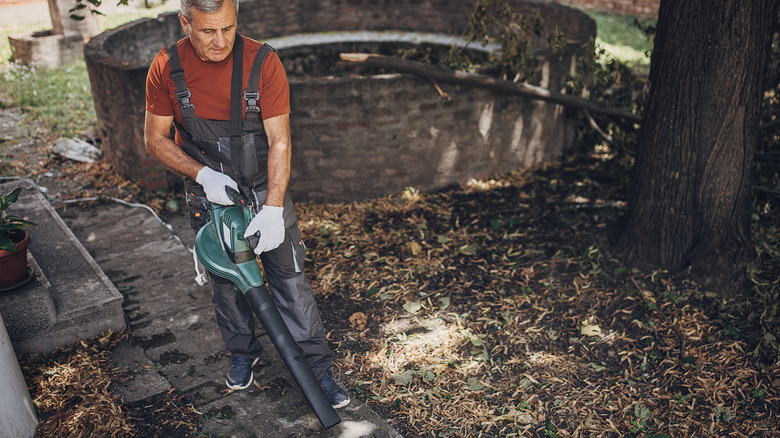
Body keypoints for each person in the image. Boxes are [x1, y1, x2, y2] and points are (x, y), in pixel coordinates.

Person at [143, 0, 349, 409]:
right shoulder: (166, 67)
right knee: (227, 284)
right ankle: (243, 353)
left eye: (228, 28)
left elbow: (280, 141)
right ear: (185, 22)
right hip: (211, 197)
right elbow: (155, 139)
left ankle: (318, 370)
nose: (220, 41)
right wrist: (202, 176)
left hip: (263, 188)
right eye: (206, 31)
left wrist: (272, 208)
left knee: (290, 282)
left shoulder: (262, 62)